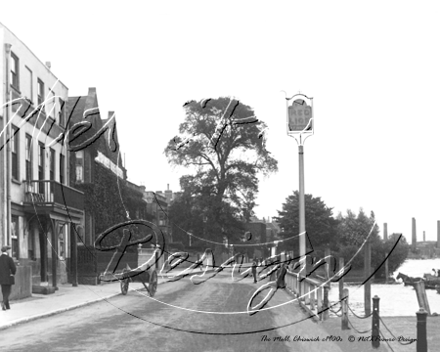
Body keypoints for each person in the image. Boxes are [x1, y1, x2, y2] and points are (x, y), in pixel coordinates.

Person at [0, 246, 16, 310]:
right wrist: (12, 273)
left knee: (4, 292)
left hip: (1, 278)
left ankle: (7, 306)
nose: (9, 251)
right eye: (8, 250)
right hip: (8, 277)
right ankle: (3, 303)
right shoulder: (9, 259)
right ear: (6, 251)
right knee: (8, 292)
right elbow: (13, 268)